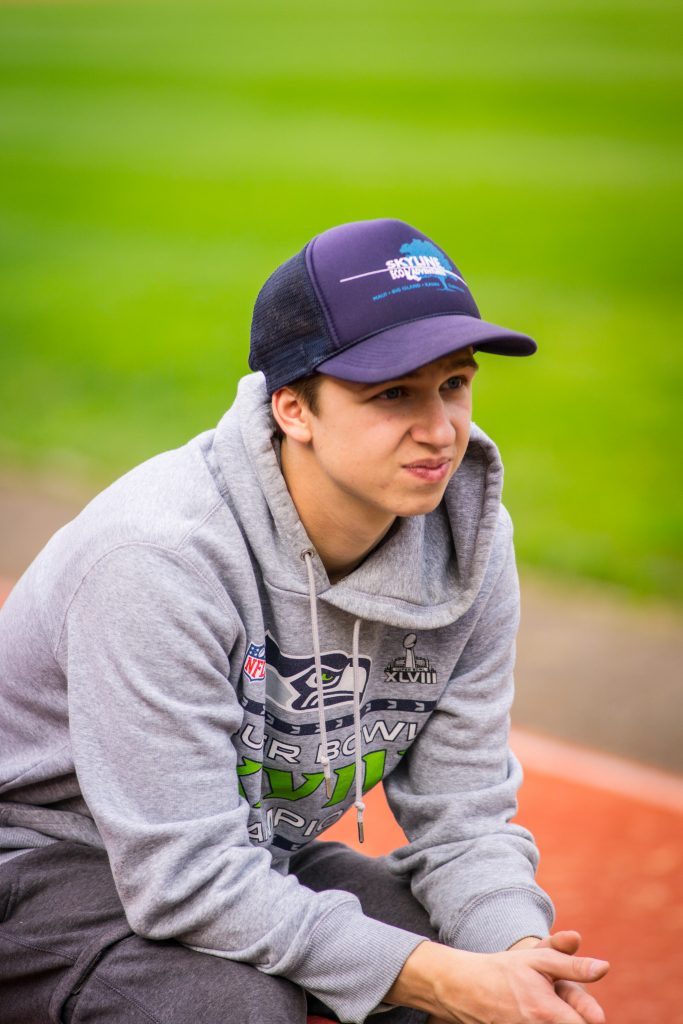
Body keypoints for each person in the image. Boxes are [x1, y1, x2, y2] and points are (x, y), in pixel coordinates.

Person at [0, 218, 609, 1024]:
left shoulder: (470, 545)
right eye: (392, 393)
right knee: (233, 1007)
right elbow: (183, 877)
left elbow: (464, 815)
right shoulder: (156, 559)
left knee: (467, 955)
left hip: (245, 845)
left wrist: (514, 955)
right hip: (39, 866)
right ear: (293, 409)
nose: (438, 429)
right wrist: (434, 978)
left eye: (453, 384)